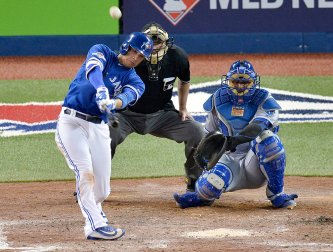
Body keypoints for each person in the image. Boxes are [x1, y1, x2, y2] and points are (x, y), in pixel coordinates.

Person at [55, 32, 153, 240]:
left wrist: (113, 103)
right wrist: (101, 89)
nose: (136, 57)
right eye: (135, 51)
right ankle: (95, 226)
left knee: (102, 191)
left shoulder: (137, 81)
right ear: (126, 47)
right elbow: (93, 69)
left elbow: (128, 96)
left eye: (142, 56)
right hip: (71, 121)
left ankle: (95, 209)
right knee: (85, 173)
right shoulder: (102, 51)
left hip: (98, 127)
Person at [173, 60, 298, 209]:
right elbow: (208, 134)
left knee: (269, 141)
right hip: (229, 161)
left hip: (255, 165)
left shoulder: (264, 99)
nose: (240, 86)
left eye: (245, 82)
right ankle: (201, 197)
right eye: (235, 82)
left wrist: (234, 140)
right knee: (210, 186)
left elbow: (258, 127)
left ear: (253, 82)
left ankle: (276, 193)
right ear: (228, 82)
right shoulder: (217, 100)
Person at [109, 22, 205, 191]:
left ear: (166, 43)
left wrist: (183, 108)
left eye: (158, 42)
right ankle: (93, 183)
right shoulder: (131, 58)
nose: (154, 47)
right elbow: (112, 81)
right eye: (149, 43)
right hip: (126, 115)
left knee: (197, 131)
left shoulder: (178, 57)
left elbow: (184, 81)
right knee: (104, 134)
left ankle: (194, 180)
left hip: (162, 115)